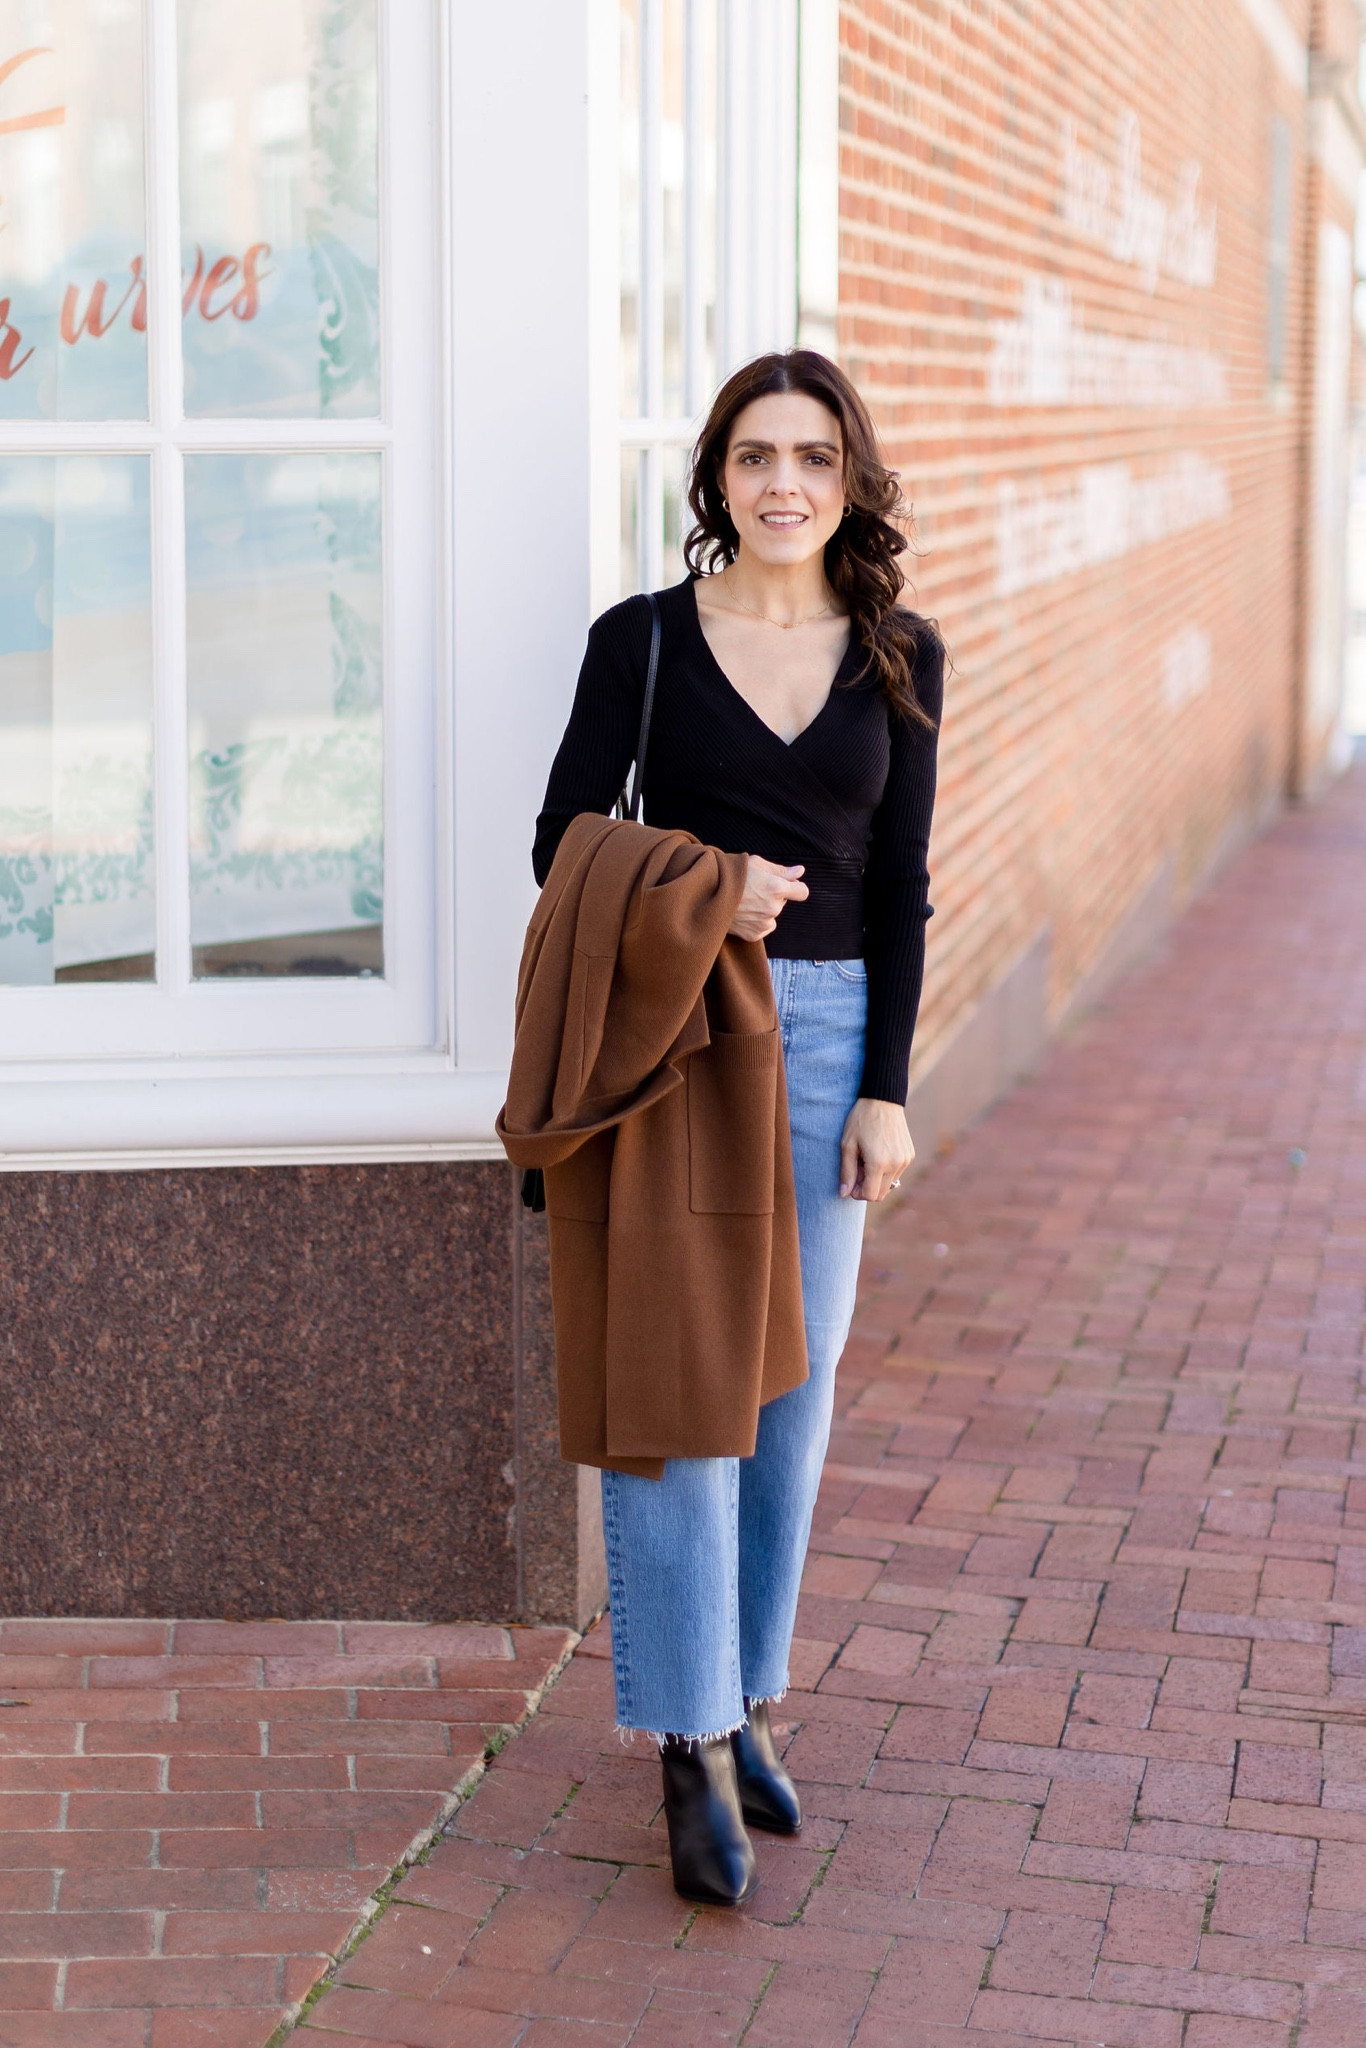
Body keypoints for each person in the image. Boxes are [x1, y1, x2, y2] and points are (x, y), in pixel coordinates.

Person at [533, 349, 943, 1905]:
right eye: (755, 456)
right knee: (682, 1381)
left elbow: (898, 886)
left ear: (850, 481)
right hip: (685, 1032)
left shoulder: (900, 654)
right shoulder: (638, 644)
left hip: (832, 1036)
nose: (783, 483)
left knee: (791, 1385)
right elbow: (556, 839)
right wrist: (708, 887)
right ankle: (683, 1740)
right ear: (714, 476)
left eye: (814, 458)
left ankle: (750, 1700)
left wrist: (888, 1088)